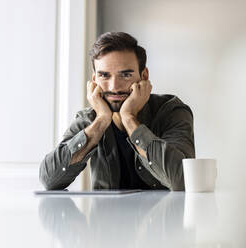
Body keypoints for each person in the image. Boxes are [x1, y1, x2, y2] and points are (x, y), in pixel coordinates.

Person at [39, 32, 195, 191]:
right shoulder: (90, 118)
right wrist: (101, 120)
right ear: (94, 80)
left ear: (144, 76)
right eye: (104, 76)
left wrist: (129, 118)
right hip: (106, 216)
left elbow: (182, 180)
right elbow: (49, 179)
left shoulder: (171, 111)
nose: (114, 87)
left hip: (165, 215)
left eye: (126, 75)